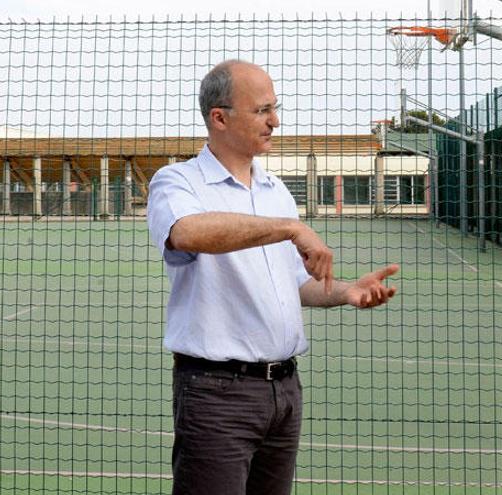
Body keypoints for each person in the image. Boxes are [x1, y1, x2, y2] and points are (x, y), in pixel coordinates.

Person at [146, 59, 398, 495]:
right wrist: (290, 228)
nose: (274, 121)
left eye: (274, 108)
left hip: (283, 393)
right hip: (216, 394)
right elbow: (187, 233)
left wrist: (345, 292)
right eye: (262, 110)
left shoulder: (274, 189)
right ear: (219, 118)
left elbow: (292, 284)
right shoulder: (177, 181)